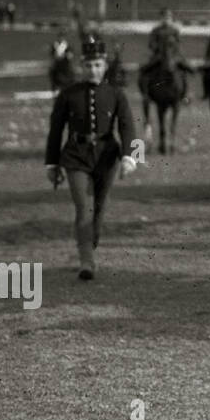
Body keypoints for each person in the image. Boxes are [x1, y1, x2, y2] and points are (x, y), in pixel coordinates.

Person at [44, 36, 137, 280]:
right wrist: (52, 163)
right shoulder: (68, 94)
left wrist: (130, 157)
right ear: (81, 67)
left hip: (107, 157)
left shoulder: (116, 94)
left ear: (105, 66)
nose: (93, 70)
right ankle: (86, 261)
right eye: (88, 65)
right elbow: (56, 129)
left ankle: (91, 241)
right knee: (82, 207)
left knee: (100, 208)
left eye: (97, 65)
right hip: (75, 156)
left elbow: (127, 126)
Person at [139, 7, 195, 102]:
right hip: (159, 56)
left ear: (171, 18)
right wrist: (158, 48)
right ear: (161, 18)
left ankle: (185, 94)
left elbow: (179, 43)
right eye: (164, 16)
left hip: (173, 56)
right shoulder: (156, 30)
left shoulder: (174, 30)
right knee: (145, 71)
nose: (166, 18)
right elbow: (151, 43)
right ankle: (146, 94)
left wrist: (173, 49)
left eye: (168, 16)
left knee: (185, 70)